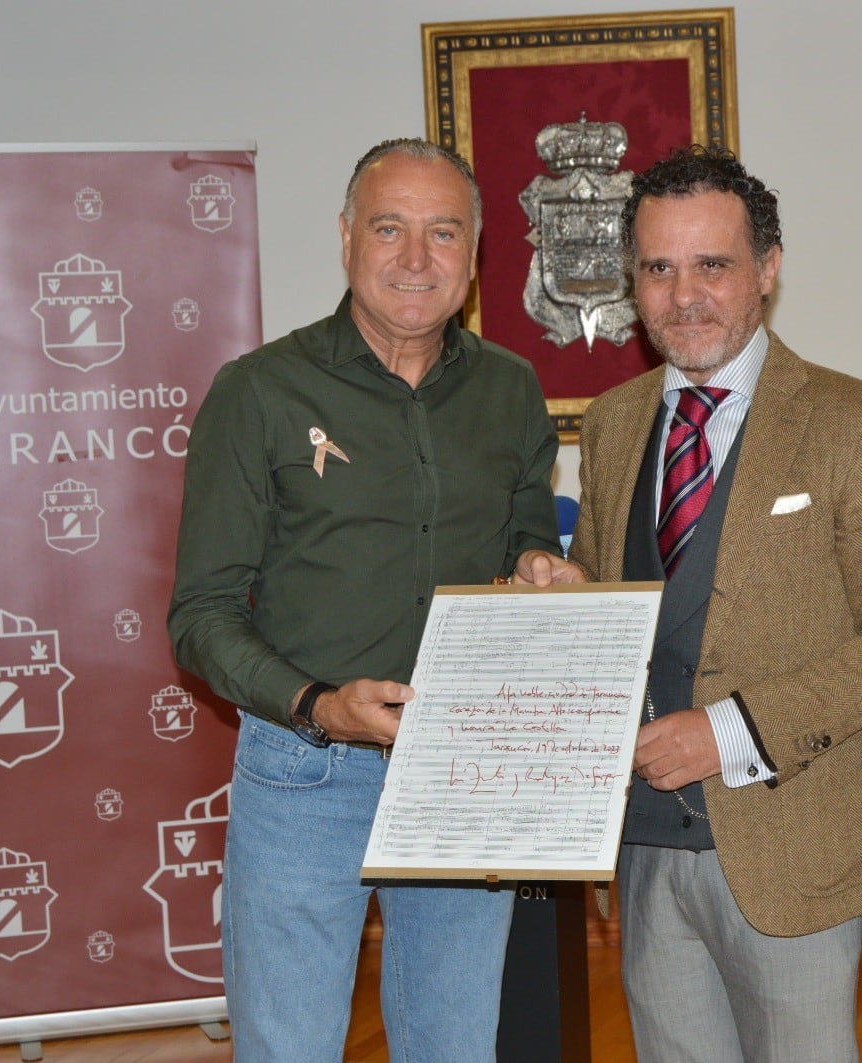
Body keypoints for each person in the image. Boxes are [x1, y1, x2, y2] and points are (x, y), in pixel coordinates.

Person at [516, 145, 862, 1063]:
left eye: (712, 264)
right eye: (659, 268)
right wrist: (569, 598)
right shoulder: (614, 422)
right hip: (641, 851)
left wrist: (728, 732)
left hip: (794, 843)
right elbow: (622, 602)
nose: (685, 295)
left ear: (767, 269)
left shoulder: (854, 420)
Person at [167, 138, 560, 1063]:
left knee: (455, 1045)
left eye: (443, 232)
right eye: (390, 229)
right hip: (306, 768)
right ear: (347, 239)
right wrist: (316, 704)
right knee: (290, 1047)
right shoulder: (259, 391)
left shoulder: (510, 390)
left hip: (465, 767)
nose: (416, 259)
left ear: (476, 255)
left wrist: (545, 565)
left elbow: (527, 536)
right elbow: (201, 615)